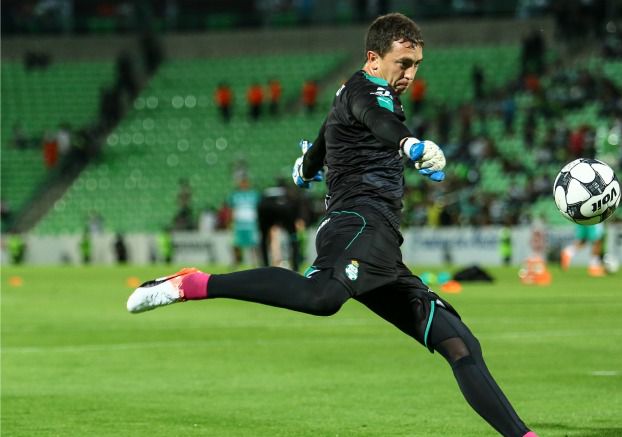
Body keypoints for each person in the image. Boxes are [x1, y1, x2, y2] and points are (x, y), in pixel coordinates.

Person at [127, 13, 537, 437]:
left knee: (459, 344)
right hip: (355, 225)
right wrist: (408, 143)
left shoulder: (350, 92)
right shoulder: (367, 90)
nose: (410, 74)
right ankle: (191, 284)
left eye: (416, 65)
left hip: (381, 246)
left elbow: (328, 134)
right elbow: (378, 120)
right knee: (322, 297)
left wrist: (308, 166)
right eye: (403, 63)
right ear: (373, 58)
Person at [230, 178, 260, 266]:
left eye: (245, 183)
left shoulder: (254, 195)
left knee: (254, 244)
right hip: (239, 224)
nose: (244, 185)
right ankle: (237, 261)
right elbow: (231, 208)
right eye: (242, 183)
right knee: (236, 243)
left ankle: (255, 261)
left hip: (251, 224)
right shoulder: (235, 195)